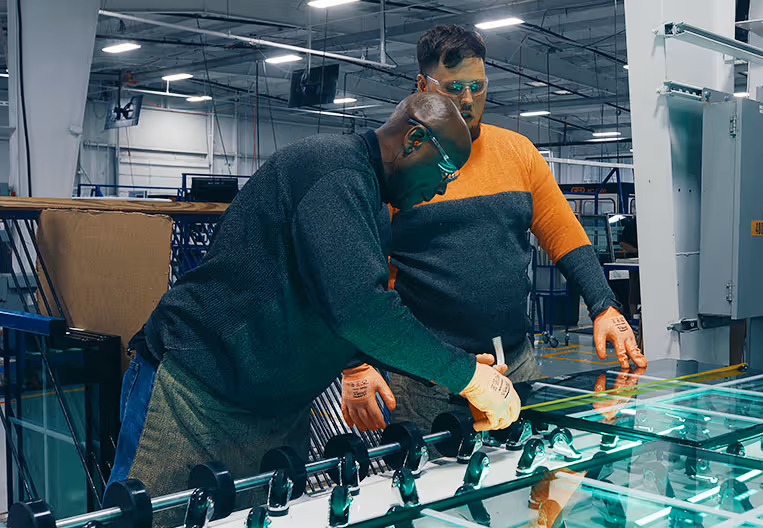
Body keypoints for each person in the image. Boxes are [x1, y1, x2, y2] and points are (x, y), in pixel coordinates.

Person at [108, 93, 520, 497]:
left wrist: (437, 367)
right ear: (414, 141)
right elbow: (359, 309)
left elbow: (333, 304)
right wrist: (463, 374)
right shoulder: (333, 170)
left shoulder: (371, 199)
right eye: (446, 171)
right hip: (199, 393)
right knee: (151, 526)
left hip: (273, 408)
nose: (443, 190)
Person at [341, 25, 647, 434]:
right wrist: (356, 362)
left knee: (523, 481)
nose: (467, 100)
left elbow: (563, 232)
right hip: (425, 376)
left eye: (477, 86)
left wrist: (604, 305)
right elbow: (355, 282)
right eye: (453, 88)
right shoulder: (399, 161)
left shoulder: (517, 152)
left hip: (513, 365)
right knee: (429, 489)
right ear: (421, 85)